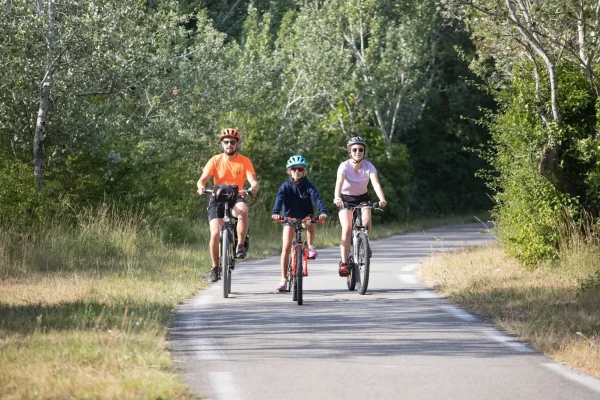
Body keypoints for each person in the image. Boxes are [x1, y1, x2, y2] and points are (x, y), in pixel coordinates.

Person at [197, 128, 259, 282]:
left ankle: (240, 245)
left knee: (243, 210)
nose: (229, 144)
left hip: (236, 197)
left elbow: (253, 181)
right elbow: (203, 179)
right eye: (226, 142)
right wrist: (201, 187)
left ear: (237, 144)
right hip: (217, 198)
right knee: (215, 234)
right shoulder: (215, 160)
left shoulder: (244, 161)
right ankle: (215, 268)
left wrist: (252, 189)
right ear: (222, 144)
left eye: (232, 142)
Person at [271, 155, 328, 291]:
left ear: (304, 171)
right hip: (289, 218)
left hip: (304, 217)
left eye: (300, 169)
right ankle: (284, 279)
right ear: (289, 171)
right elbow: (279, 199)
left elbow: (316, 198)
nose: (297, 171)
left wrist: (323, 211)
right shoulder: (285, 186)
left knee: (310, 221)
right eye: (294, 169)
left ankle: (311, 247)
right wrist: (276, 211)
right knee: (285, 247)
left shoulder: (308, 185)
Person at [333, 136, 387, 277]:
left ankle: (365, 242)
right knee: (347, 228)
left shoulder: (369, 166)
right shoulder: (344, 166)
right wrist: (337, 197)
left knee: (366, 221)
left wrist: (381, 199)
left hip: (363, 198)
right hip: (345, 199)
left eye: (360, 149)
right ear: (350, 151)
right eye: (354, 149)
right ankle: (344, 263)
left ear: (364, 151)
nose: (358, 152)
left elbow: (375, 183)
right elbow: (339, 183)